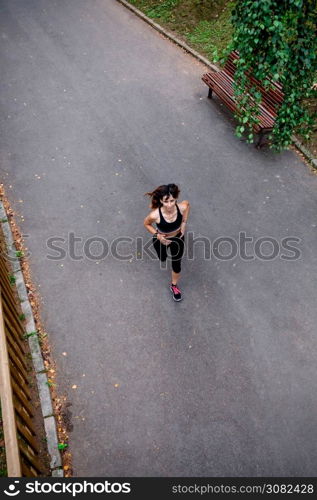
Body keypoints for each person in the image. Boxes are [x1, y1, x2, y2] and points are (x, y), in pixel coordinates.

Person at [144, 184, 190, 301]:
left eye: (172, 200)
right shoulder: (155, 215)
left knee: (176, 263)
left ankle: (174, 286)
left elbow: (187, 205)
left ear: (176, 199)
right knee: (163, 258)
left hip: (178, 239)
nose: (169, 205)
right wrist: (157, 235)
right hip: (161, 241)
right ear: (161, 200)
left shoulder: (181, 207)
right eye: (166, 201)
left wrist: (184, 223)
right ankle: (163, 255)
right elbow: (146, 224)